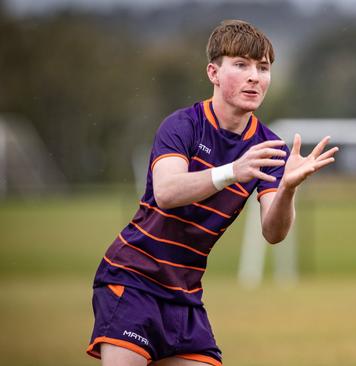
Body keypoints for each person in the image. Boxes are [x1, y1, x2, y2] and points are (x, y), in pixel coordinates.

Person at [86, 19, 338, 366]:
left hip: (185, 295)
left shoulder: (268, 147)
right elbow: (167, 191)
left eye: (263, 68)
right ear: (213, 73)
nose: (255, 76)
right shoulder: (183, 125)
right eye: (241, 65)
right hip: (133, 280)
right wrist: (233, 171)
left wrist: (287, 190)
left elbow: (273, 233)